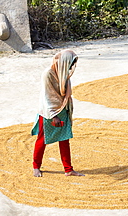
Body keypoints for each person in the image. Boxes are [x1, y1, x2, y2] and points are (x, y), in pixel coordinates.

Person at [31, 49, 84, 177]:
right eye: (70, 63)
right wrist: (53, 116)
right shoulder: (48, 74)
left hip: (63, 109)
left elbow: (66, 93)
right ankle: (36, 167)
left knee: (64, 139)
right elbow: (46, 97)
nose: (71, 67)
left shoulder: (63, 73)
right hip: (49, 112)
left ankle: (68, 169)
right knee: (42, 139)